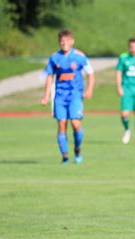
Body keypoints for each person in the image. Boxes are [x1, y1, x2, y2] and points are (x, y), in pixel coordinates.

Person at [41, 29, 95, 164]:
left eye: (66, 40)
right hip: (59, 96)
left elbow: (91, 73)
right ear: (59, 42)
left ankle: (77, 149)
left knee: (76, 124)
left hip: (75, 95)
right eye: (61, 41)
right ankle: (65, 156)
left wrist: (89, 90)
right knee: (61, 125)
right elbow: (49, 77)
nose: (64, 43)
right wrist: (46, 96)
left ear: (72, 41)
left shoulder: (79, 56)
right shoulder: (54, 57)